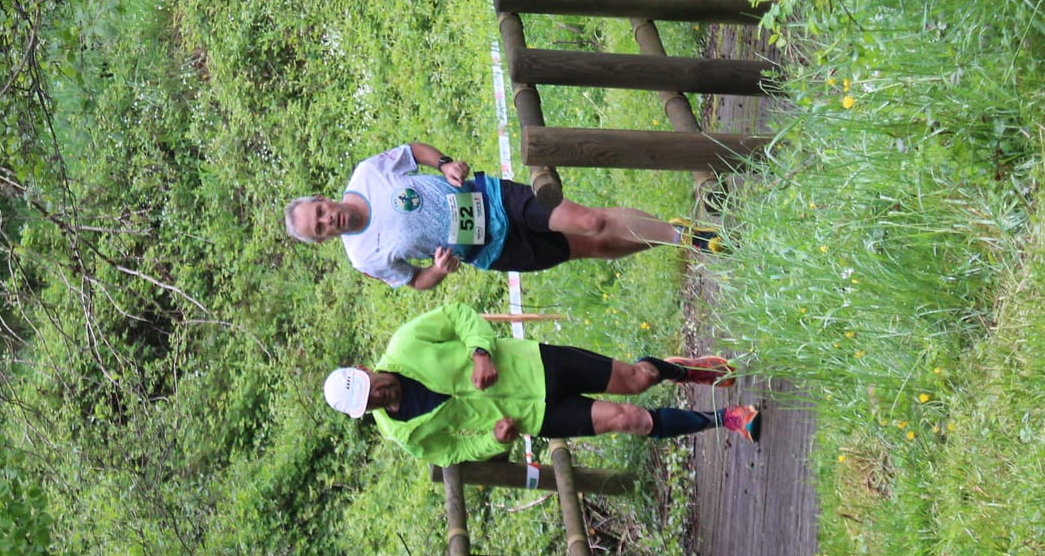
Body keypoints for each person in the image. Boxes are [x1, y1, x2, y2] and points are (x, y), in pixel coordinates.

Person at [321, 302, 759, 467]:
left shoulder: (406, 343)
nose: (379, 396)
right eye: (369, 405)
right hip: (534, 415)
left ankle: (685, 370)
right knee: (631, 420)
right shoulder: (404, 434)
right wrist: (495, 441)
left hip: (534, 365)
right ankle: (728, 419)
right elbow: (454, 453)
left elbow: (458, 315)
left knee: (637, 380)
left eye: (370, 387)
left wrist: (481, 352)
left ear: (363, 369)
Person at [284, 141, 724, 290]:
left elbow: (412, 152)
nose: (328, 221)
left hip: (491, 199)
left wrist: (444, 164)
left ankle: (686, 237)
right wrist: (438, 271)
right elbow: (414, 280)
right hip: (489, 249)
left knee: (589, 220)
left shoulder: (367, 174)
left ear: (323, 198)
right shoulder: (363, 257)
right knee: (592, 246)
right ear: (323, 240)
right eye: (320, 229)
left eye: (320, 212)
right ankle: (672, 233)